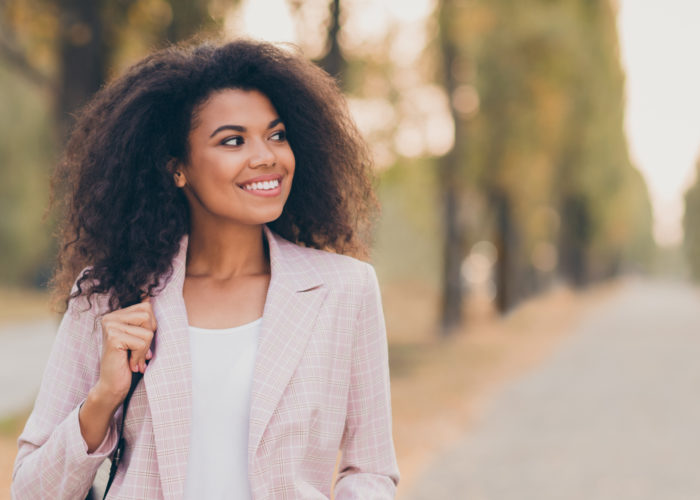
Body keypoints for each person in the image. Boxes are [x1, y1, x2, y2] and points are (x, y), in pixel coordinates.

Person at [12, 37, 399, 499]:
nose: (266, 156)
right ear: (178, 168)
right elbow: (31, 491)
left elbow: (371, 470)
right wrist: (102, 399)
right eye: (233, 140)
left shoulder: (345, 290)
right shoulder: (110, 295)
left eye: (276, 135)